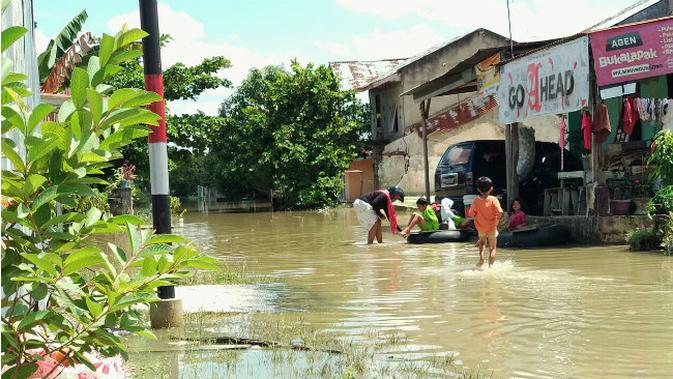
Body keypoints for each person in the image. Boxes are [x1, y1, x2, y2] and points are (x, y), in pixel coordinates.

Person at [468, 177, 503, 268]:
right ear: (491, 188)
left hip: (481, 227)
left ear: (478, 189)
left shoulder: (476, 201)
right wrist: (497, 220)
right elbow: (500, 212)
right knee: (492, 248)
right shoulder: (493, 199)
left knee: (482, 243)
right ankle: (490, 266)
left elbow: (471, 214)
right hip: (492, 227)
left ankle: (481, 259)